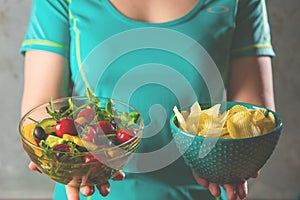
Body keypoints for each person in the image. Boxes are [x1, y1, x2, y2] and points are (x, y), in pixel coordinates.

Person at [20, 0, 276, 199]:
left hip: (203, 192)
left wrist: (233, 160)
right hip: (92, 189)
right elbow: (41, 110)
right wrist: (64, 157)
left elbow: (253, 115)